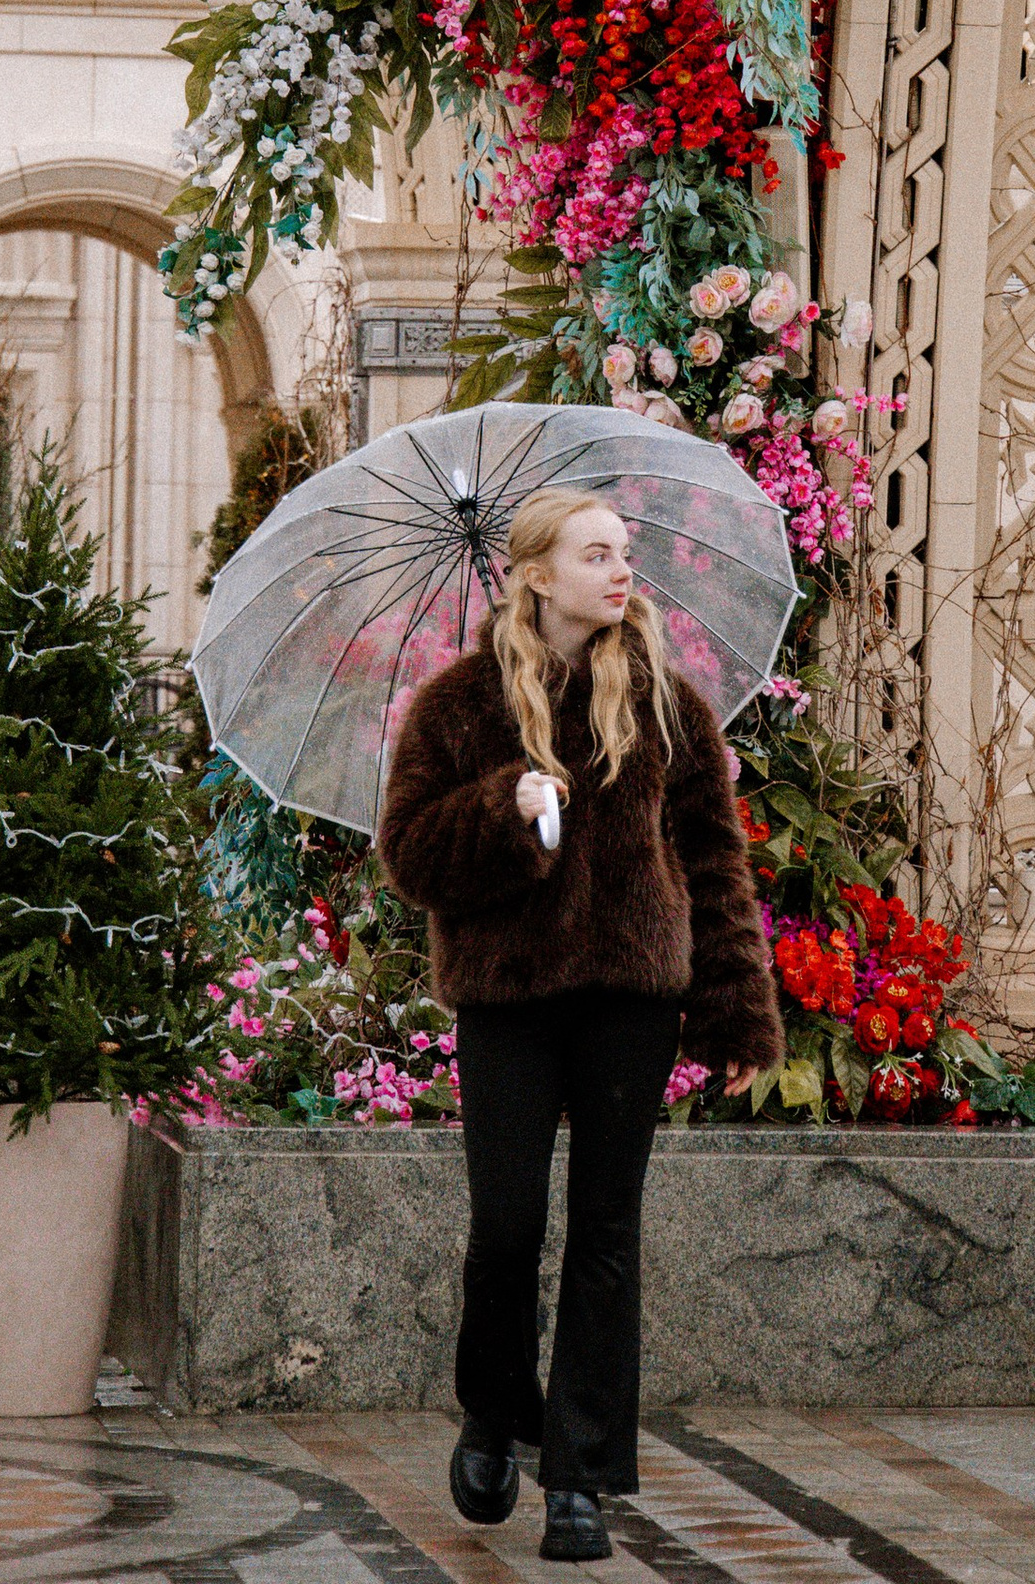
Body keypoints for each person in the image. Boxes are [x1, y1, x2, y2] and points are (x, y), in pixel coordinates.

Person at [377, 486, 784, 1564]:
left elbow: (714, 863)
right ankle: (492, 1412)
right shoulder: (460, 706)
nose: (620, 571)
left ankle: (579, 1478)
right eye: (595, 554)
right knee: (506, 1226)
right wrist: (499, 807)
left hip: (629, 999)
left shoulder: (666, 705)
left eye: (623, 552)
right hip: (508, 998)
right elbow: (409, 854)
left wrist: (735, 1013)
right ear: (536, 575)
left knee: (606, 1233)